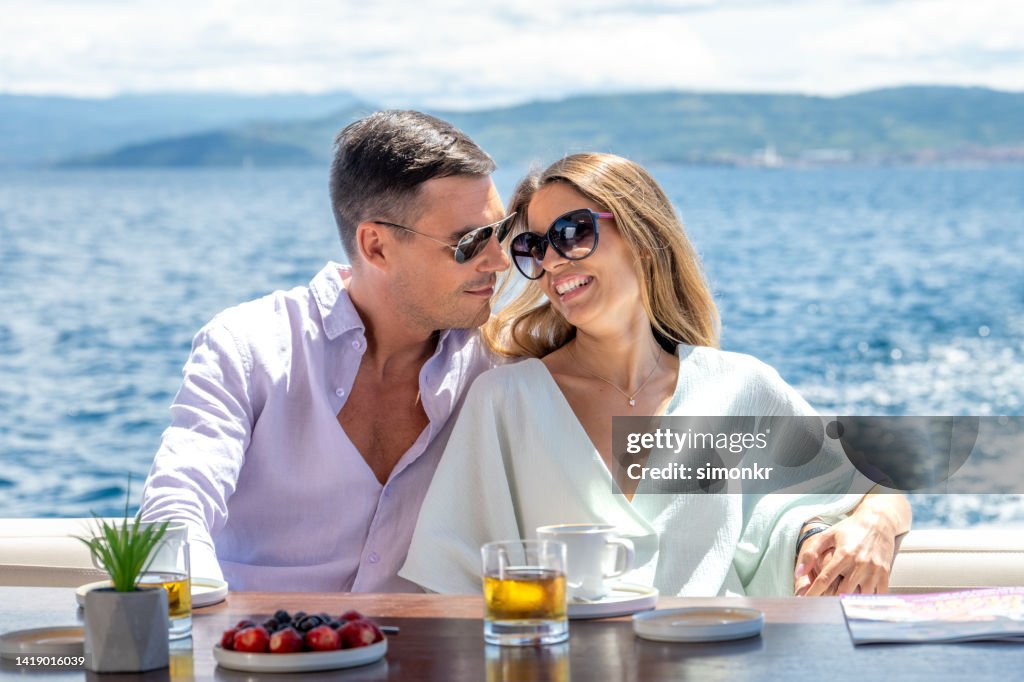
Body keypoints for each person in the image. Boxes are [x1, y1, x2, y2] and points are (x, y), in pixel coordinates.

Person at [400, 153, 911, 597]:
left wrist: (875, 524)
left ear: (641, 237)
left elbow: (876, 483)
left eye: (572, 233)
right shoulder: (505, 402)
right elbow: (454, 583)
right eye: (534, 248)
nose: (553, 260)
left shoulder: (737, 388)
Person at [139, 110, 514, 591]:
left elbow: (628, 422)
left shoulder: (499, 363)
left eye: (501, 232)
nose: (499, 260)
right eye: (470, 242)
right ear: (376, 246)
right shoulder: (248, 348)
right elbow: (180, 495)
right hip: (260, 654)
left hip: (425, 660)